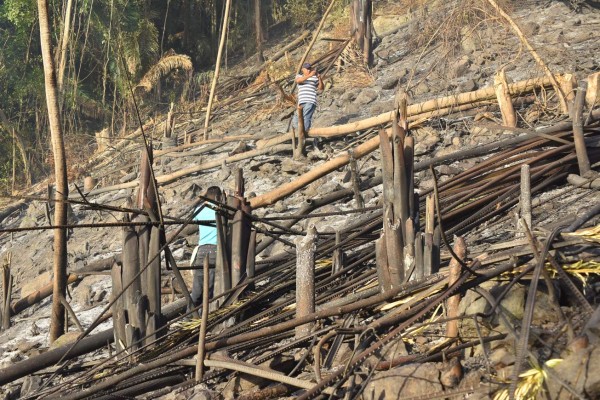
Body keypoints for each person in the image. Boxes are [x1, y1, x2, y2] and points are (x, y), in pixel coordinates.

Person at [190, 186, 221, 307]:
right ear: (219, 197)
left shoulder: (200, 210)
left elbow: (194, 218)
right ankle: (206, 314)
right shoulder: (220, 210)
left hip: (202, 250)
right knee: (210, 288)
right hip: (215, 250)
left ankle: (190, 316)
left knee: (197, 287)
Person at [292, 62, 324, 149]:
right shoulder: (299, 76)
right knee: (295, 120)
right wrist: (310, 75)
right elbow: (299, 81)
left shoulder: (314, 78)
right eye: (307, 69)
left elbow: (321, 89)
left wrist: (319, 78)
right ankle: (301, 135)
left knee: (306, 118)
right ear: (303, 69)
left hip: (310, 100)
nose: (309, 70)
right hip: (301, 102)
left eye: (310, 68)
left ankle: (304, 137)